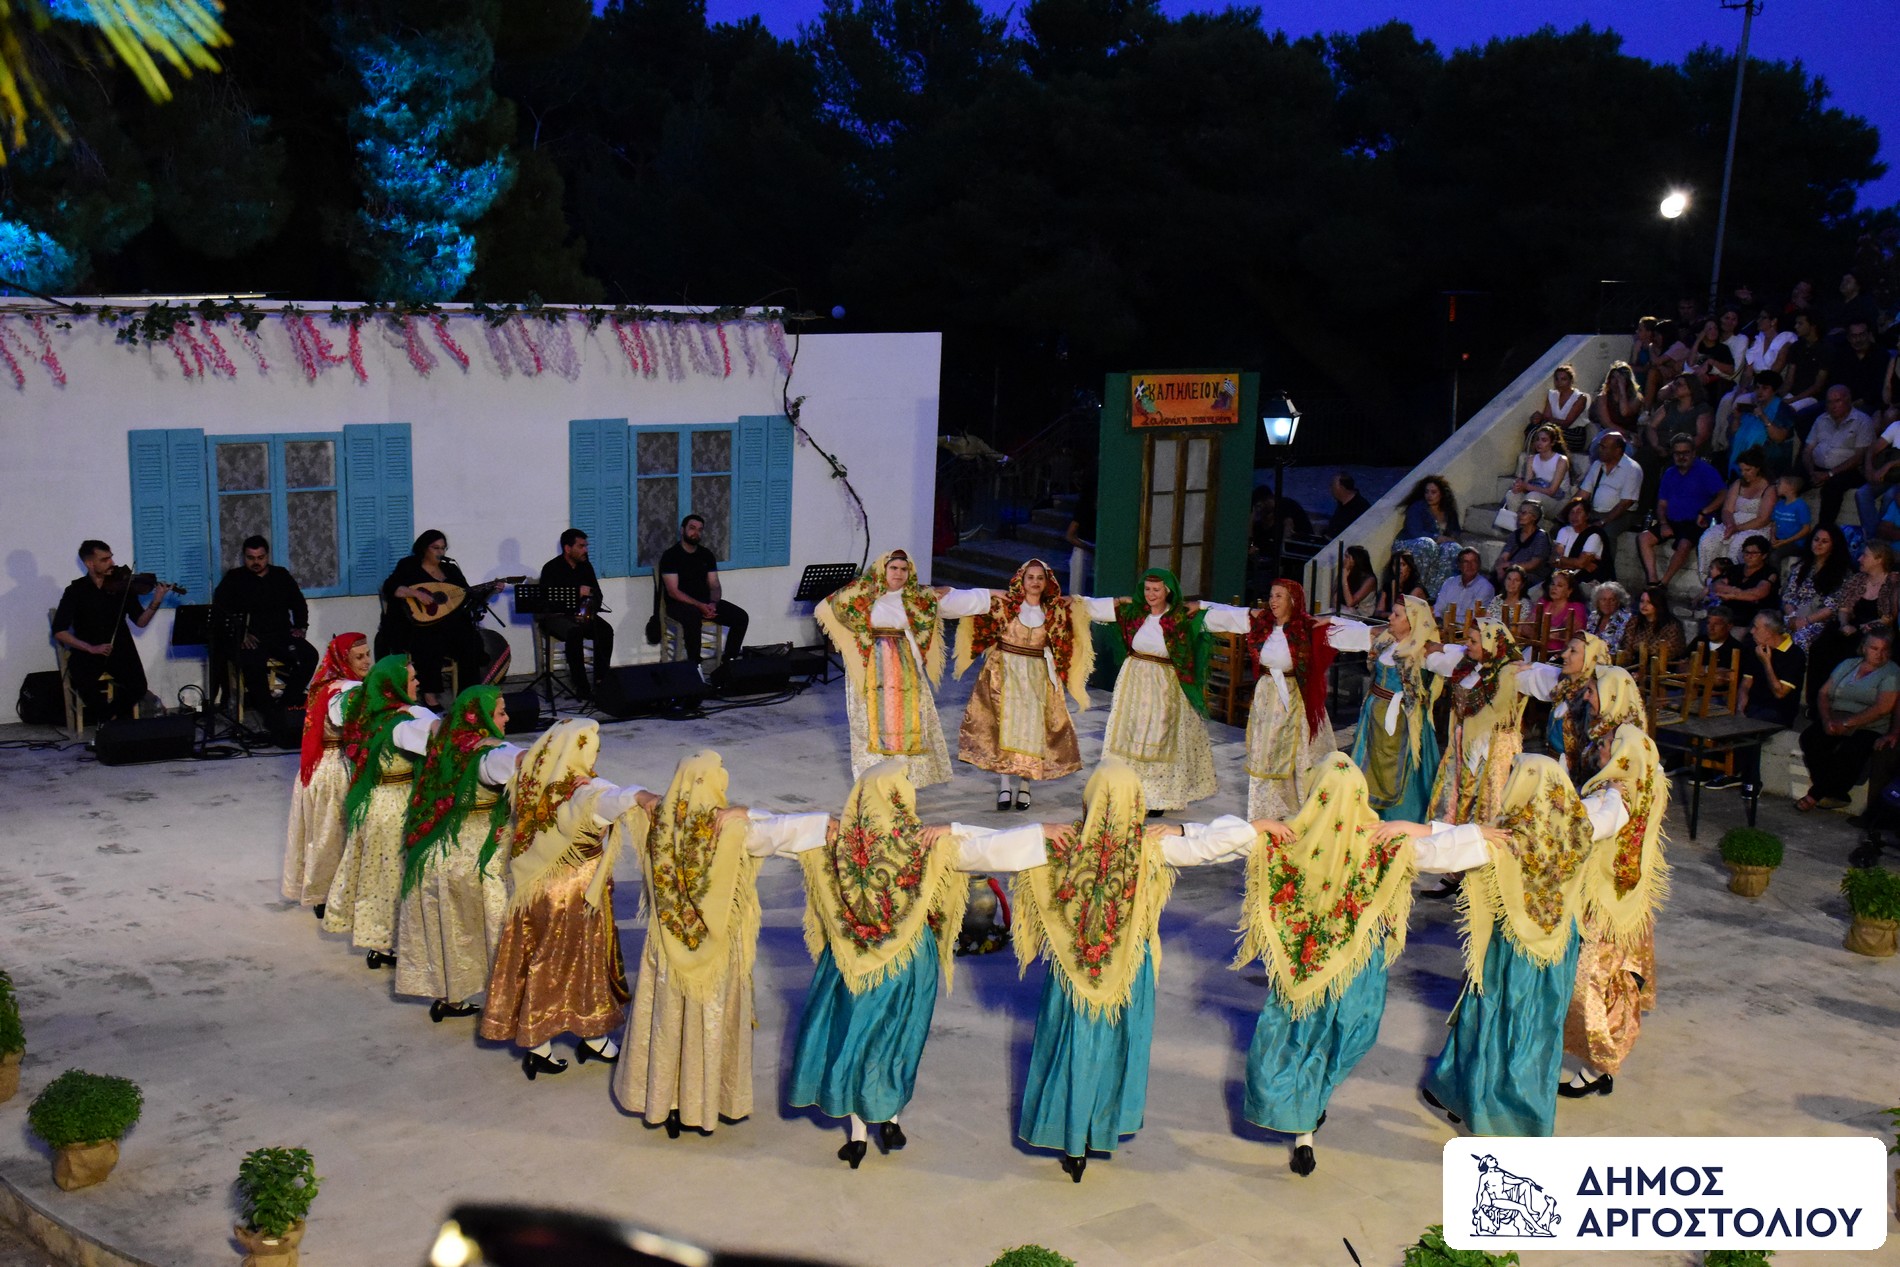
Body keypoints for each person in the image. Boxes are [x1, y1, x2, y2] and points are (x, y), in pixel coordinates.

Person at [1012, 759, 1287, 1180]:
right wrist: (1252, 828)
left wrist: (965, 831)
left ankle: (1070, 1141)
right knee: (1114, 1046)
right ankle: (1098, 1130)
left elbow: (994, 847)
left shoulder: (1059, 841)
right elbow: (1211, 847)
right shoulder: (1152, 846)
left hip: (1075, 969)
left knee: (1074, 1044)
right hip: (1129, 968)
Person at [787, 759, 1050, 1167]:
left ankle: (858, 1137)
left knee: (852, 1041)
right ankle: (891, 1118)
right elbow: (990, 849)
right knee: (898, 1038)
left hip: (851, 963)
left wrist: (818, 823)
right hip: (908, 962)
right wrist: (960, 830)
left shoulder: (835, 844)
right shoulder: (924, 843)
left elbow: (775, 833)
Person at [1236, 759, 1487, 1175]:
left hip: (1315, 965)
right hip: (1349, 965)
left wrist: (1241, 829)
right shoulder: (1376, 841)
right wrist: (1463, 832)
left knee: (1310, 1037)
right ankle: (1306, 1124)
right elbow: (1447, 850)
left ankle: (1305, 1114)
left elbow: (1218, 845)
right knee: (1336, 1035)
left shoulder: (1293, 838)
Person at [611, 751, 831, 1136]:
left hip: (667, 948)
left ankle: (666, 1106)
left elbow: (615, 799)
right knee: (707, 1024)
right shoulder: (733, 828)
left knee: (668, 1024)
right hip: (717, 954)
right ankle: (704, 1107)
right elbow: (781, 831)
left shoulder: (658, 819)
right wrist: (751, 813)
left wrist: (641, 795)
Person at [1419, 755, 1611, 1136]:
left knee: (1494, 1026)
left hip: (1509, 954)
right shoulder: (1578, 832)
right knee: (1537, 1036)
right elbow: (1609, 814)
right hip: (1556, 957)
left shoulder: (1502, 843)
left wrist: (1390, 831)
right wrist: (1614, 791)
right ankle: (1525, 1114)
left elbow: (1439, 849)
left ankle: (1491, 1113)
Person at [480, 719, 657, 1079]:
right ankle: (570, 1037)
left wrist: (488, 744)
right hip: (575, 889)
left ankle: (560, 1041)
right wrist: (641, 795)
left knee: (538, 954)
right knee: (577, 960)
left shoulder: (532, 776)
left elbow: (495, 762)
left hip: (534, 886)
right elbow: (615, 800)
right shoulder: (585, 792)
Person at [395, 687, 524, 1020]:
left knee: (451, 930)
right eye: (500, 713)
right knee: (496, 930)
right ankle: (509, 1007)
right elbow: (530, 763)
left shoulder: (446, 742)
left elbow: (411, 727)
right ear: (481, 720)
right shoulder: (490, 756)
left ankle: (451, 999)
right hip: (477, 860)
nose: (507, 718)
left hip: (434, 854)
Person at [817, 549, 989, 788]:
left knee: (905, 723)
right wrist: (850, 644)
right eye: (893, 568)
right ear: (883, 569)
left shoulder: (918, 597)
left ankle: (903, 785)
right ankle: (876, 786)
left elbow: (959, 601)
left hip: (904, 667)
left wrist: (991, 595)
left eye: (903, 569)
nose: (898, 573)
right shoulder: (863, 594)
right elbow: (827, 608)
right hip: (870, 668)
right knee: (870, 726)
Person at [1562, 723, 1670, 1098]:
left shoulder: (1618, 796)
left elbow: (1589, 827)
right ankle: (1597, 1064)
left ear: (1624, 756)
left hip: (1606, 907)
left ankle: (1601, 1063)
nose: (1601, 748)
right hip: (1626, 904)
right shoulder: (1649, 782)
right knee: (1605, 984)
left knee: (1589, 985)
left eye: (1608, 744)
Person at [322, 655, 440, 967]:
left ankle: (379, 941)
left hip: (372, 802)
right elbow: (440, 735)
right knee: (397, 875)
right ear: (395, 686)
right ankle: (396, 942)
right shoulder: (402, 724)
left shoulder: (367, 712)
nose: (417, 683)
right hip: (395, 805)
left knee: (378, 874)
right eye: (411, 679)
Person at [952, 558, 1096, 810]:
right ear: (1022, 579)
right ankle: (1005, 785)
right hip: (1004, 673)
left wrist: (1108, 602)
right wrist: (987, 592)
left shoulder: (1053, 611)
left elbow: (1085, 611)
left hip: (1036, 675)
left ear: (1047, 582)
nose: (1035, 582)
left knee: (1032, 730)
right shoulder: (1006, 605)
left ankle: (1025, 785)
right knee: (1002, 727)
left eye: (1040, 578)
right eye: (1031, 577)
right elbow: (970, 602)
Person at [1081, 569, 1219, 813]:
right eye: (1147, 589)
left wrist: (1202, 604)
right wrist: (1118, 600)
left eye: (1156, 589)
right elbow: (1092, 608)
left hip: (1164, 683)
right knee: (1130, 735)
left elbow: (1219, 615)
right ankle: (1127, 791)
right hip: (1134, 681)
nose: (1151, 594)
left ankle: (1157, 797)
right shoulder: (1135, 613)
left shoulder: (1179, 617)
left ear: (1168, 591)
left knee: (1159, 736)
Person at [1202, 580, 1339, 821]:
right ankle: (1264, 813)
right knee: (1265, 754)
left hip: (1293, 696)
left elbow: (1347, 633)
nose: (1273, 601)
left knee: (1297, 756)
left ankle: (1296, 814)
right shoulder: (1262, 624)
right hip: (1266, 695)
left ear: (1293, 601)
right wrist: (1202, 606)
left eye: (1279, 596)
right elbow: (1229, 615)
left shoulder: (1305, 628)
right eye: (1271, 595)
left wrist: (1333, 620)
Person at [1332, 596, 1465, 821]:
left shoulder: (1422, 652)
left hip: (1403, 721)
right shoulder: (1385, 641)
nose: (1390, 618)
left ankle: (1399, 818)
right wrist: (1327, 622)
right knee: (1369, 764)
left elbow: (1463, 658)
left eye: (1397, 615)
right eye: (1392, 613)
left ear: (1411, 622)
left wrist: (1439, 646)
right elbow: (1356, 633)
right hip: (1373, 717)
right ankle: (1365, 812)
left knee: (1400, 772)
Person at [281, 633, 369, 916]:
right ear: (344, 659)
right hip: (335, 769)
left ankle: (326, 892)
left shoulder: (324, 684)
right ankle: (327, 895)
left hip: (319, 768)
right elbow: (348, 718)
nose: (367, 662)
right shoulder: (345, 689)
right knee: (332, 834)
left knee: (322, 832)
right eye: (359, 657)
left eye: (368, 655)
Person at [1430, 619, 1534, 827]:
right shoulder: (1466, 666)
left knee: (1486, 799)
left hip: (1492, 747)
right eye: (1468, 639)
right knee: (1454, 793)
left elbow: (1545, 678)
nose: (1467, 644)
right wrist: (1440, 647)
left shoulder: (1510, 673)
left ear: (1490, 645)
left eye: (1473, 641)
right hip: (1462, 741)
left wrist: (1533, 666)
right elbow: (1449, 651)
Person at [52, 540, 172, 722]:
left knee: (138, 686)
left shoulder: (123, 586)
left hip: (120, 647)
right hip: (87, 648)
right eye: (104, 560)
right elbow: (59, 631)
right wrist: (90, 648)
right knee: (84, 683)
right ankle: (111, 720)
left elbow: (141, 622)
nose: (112, 563)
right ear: (89, 563)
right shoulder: (75, 590)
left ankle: (109, 718)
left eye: (111, 558)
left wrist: (156, 601)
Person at [379, 531, 490, 708]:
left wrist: (489, 590)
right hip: (413, 625)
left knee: (470, 640)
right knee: (430, 640)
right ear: (424, 548)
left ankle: (468, 696)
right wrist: (416, 593)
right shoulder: (409, 565)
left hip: (448, 625)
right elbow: (390, 587)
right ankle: (430, 695)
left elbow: (466, 594)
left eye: (443, 548)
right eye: (435, 548)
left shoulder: (450, 569)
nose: (440, 552)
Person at [1796, 630, 1900, 812]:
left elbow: (1882, 708)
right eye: (1874, 648)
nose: (1879, 654)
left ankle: (1814, 795)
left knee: (1851, 750)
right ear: (1864, 648)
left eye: (1884, 649)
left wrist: (1847, 723)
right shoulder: (1849, 664)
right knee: (1810, 738)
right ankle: (1836, 793)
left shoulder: (1892, 671)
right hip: (1836, 717)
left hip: (1869, 724)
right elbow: (1823, 693)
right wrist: (1827, 719)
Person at [212, 536, 319, 711]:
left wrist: (301, 626)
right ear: (244, 557)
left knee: (309, 655)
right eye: (251, 558)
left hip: (281, 634)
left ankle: (286, 704)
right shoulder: (234, 578)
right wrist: (241, 633)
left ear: (267, 556)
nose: (256, 562)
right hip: (252, 638)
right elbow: (221, 610)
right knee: (253, 664)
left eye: (260, 558)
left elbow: (298, 603)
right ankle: (267, 709)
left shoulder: (281, 575)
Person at [1804, 539, 1899, 716]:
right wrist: (1844, 623)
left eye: (1865, 556)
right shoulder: (1857, 579)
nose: (1860, 559)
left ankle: (1844, 704)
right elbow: (1844, 608)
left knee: (1851, 651)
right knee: (1820, 648)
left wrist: (1864, 627)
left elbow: (1888, 618)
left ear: (1879, 559)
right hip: (1851, 623)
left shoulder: (1892, 583)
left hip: (1875, 629)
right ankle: (1816, 703)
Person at [658, 514, 749, 673]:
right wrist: (699, 605)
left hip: (705, 602)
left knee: (741, 617)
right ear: (682, 530)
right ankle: (695, 665)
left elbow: (714, 585)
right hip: (678, 604)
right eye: (692, 528)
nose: (696, 533)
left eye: (700, 530)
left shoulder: (706, 554)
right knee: (693, 617)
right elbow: (673, 592)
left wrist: (713, 603)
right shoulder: (671, 556)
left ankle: (729, 663)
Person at [1729, 610, 1806, 795]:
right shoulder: (1754, 648)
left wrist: (1766, 662)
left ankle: (1751, 782)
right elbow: (1746, 684)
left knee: (1752, 729)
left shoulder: (1795, 654)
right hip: (1754, 706)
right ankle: (1727, 773)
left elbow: (1779, 693)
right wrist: (1740, 708)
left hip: (1779, 711)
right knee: (1732, 721)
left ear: (1770, 631)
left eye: (1756, 628)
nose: (1752, 631)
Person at [1639, 438, 1728, 588]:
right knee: (1643, 538)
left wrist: (1705, 511)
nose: (1681, 457)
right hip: (1672, 520)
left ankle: (1663, 584)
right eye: (1677, 453)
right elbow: (1662, 504)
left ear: (1693, 453)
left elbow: (1723, 493)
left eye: (1685, 453)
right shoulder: (1669, 473)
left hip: (1695, 521)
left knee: (1685, 544)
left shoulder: (1705, 471)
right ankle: (1652, 581)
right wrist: (1663, 523)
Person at [536, 528, 613, 700]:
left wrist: (589, 610)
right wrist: (576, 593)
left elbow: (597, 593)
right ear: (567, 548)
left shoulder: (586, 566)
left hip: (582, 614)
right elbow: (547, 601)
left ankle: (601, 680)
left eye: (586, 546)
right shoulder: (551, 568)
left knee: (605, 631)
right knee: (574, 632)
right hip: (557, 616)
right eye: (581, 546)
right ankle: (582, 686)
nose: (585, 550)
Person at [1519, 632, 1610, 770]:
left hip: (1572, 773)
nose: (1564, 655)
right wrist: (1532, 666)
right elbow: (1547, 673)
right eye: (1567, 649)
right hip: (1552, 764)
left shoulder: (1593, 701)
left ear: (1589, 660)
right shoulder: (1565, 686)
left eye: (1573, 651)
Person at [1696, 450, 1777, 581]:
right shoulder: (1738, 484)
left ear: (1758, 468)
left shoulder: (1769, 488)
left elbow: (1763, 519)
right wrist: (1730, 525)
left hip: (1755, 527)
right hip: (1732, 523)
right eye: (1741, 470)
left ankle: (1734, 580)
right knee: (1708, 539)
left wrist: (1737, 528)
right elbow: (1727, 510)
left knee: (1739, 544)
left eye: (1748, 470)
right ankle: (1709, 579)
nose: (1744, 473)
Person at [1783, 524, 1855, 661]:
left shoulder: (1842, 573)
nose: (1819, 544)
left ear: (1834, 545)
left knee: (1800, 638)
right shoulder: (1801, 567)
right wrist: (1792, 617)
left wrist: (1805, 621)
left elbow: (1832, 606)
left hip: (1818, 621)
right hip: (1794, 616)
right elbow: (1788, 596)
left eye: (1824, 541)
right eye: (1816, 540)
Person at [1807, 385, 1876, 522]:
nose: (1833, 406)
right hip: (1817, 467)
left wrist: (1829, 474)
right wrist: (1811, 472)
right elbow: (1807, 449)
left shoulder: (1862, 421)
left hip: (1849, 470)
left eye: (1837, 401)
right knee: (1789, 480)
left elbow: (1859, 457)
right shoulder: (1821, 419)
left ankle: (1824, 528)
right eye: (1829, 402)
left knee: (1832, 487)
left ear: (1848, 400)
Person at [1574, 431, 1643, 559]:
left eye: (1604, 447)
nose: (1599, 450)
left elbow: (1625, 503)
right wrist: (1570, 511)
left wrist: (1603, 521)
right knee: (1571, 526)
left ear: (1618, 450)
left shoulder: (1632, 469)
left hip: (1623, 514)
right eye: (1600, 446)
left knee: (1607, 533)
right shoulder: (1597, 465)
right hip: (1595, 510)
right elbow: (1583, 493)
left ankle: (1606, 568)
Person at [1396, 476, 1462, 598]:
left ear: (1441, 494)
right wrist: (1437, 538)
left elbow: (1455, 533)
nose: (1429, 496)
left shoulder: (1448, 510)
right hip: (1409, 543)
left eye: (1433, 492)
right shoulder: (1417, 507)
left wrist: (1450, 539)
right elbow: (1415, 532)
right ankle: (1417, 589)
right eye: (1427, 492)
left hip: (1435, 547)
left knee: (1454, 548)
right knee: (1427, 543)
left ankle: (1434, 595)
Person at [1500, 425, 1572, 525]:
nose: (1539, 443)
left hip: (1558, 500)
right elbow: (1527, 484)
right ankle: (1517, 527)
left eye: (1544, 440)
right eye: (1537, 439)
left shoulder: (1561, 460)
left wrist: (1526, 486)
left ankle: (1533, 529)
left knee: (1533, 497)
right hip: (1537, 494)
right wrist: (1519, 487)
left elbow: (1552, 491)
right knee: (1512, 495)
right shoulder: (1531, 459)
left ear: (1552, 443)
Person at [1711, 535, 1779, 629]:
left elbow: (1758, 593)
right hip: (1731, 611)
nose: (1749, 556)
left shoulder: (1770, 572)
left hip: (1755, 613)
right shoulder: (1735, 569)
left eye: (1754, 553)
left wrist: (1733, 595)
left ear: (1764, 555)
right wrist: (1737, 591)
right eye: (1746, 552)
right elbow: (1717, 585)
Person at [1527, 365, 1589, 450]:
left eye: (1563, 379)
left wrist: (1545, 419)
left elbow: (1567, 423)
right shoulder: (1552, 394)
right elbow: (1546, 416)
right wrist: (1539, 418)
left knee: (1546, 432)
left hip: (1573, 433)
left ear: (1571, 381)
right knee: (1533, 427)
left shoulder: (1580, 397)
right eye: (1556, 379)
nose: (1559, 383)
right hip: (1555, 428)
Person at [1493, 502, 1552, 591]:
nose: (1519, 515)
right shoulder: (1515, 534)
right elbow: (1504, 556)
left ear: (1534, 517)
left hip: (1531, 576)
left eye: (1524, 513)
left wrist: (1510, 566)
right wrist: (1500, 569)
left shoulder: (1541, 537)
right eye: (1519, 512)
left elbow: (1533, 564)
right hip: (1511, 572)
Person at [1434, 548, 1496, 623]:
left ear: (1479, 565)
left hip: (1468, 628)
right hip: (1444, 625)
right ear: (1459, 565)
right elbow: (1438, 609)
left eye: (1474, 561)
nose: (1470, 565)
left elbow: (1474, 617)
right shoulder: (1449, 583)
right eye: (1466, 562)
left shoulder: (1485, 587)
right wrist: (1439, 622)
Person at [1553, 498, 1607, 584]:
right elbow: (1553, 560)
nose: (1574, 516)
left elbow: (1580, 564)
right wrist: (1579, 563)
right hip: (1558, 578)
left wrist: (1562, 561)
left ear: (1587, 515)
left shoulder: (1594, 535)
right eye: (1571, 512)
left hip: (1585, 581)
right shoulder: (1564, 531)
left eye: (1579, 512)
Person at [1768, 473, 1815, 564]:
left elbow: (1806, 529)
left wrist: (1785, 541)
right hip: (1779, 539)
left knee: (1775, 556)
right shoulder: (1780, 504)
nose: (1777, 486)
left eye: (1780, 483)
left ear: (1791, 487)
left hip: (1795, 543)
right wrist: (1773, 537)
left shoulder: (1800, 505)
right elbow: (1774, 523)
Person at [1487, 566, 1535, 643]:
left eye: (1516, 580)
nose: (1511, 583)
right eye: (1509, 579)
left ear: (1522, 584)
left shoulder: (1525, 604)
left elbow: (1519, 631)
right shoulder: (1497, 599)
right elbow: (1487, 620)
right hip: (1491, 638)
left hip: (1512, 642)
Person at [1065, 481, 1096, 597]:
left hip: (1094, 546)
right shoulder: (1084, 507)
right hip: (1084, 548)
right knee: (1076, 593)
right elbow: (1069, 535)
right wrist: (1089, 548)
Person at [1586, 581, 1632, 656]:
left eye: (1612, 600)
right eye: (1603, 599)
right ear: (1597, 602)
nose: (1607, 603)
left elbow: (1621, 649)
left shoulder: (1626, 618)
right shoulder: (1593, 616)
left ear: (1618, 602)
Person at [1378, 550, 1429, 618]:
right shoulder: (1388, 585)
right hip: (1389, 621)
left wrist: (1390, 615)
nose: (1399, 569)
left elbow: (1401, 614)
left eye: (1403, 565)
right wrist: (1388, 615)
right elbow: (1378, 612)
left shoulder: (1417, 589)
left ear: (1409, 568)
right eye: (1395, 565)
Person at [1333, 545, 1377, 618]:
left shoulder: (1370, 580)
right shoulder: (1348, 574)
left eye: (1347, 557)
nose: (1344, 560)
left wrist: (1344, 579)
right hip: (1346, 611)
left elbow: (1350, 602)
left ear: (1355, 560)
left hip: (1362, 616)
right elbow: (1335, 600)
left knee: (1343, 613)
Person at [1327, 471, 1372, 536]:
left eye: (1332, 486)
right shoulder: (1341, 505)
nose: (1331, 489)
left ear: (1341, 488)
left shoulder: (1360, 508)